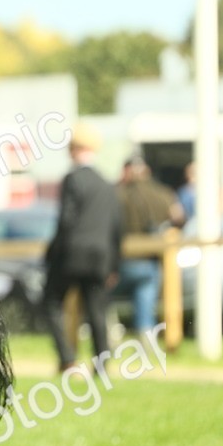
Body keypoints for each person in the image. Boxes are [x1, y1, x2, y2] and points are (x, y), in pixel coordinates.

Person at [42, 124, 124, 373]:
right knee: (97, 312)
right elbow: (117, 229)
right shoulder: (107, 184)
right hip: (100, 258)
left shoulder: (72, 179)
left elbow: (66, 220)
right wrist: (114, 265)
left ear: (75, 149)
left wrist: (51, 253)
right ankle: (101, 365)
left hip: (72, 255)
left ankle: (67, 358)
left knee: (51, 302)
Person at [116, 155, 183, 338]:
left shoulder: (117, 193)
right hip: (149, 261)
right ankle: (146, 338)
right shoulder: (163, 193)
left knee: (101, 296)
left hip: (121, 261)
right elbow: (178, 217)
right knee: (145, 298)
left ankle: (109, 333)